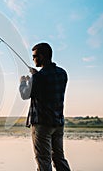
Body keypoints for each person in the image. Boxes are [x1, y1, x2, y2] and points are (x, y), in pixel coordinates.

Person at [19, 43, 71, 171]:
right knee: (59, 158)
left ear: (42, 56)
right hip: (58, 123)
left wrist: (23, 82)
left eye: (35, 56)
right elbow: (46, 83)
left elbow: (25, 94)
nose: (33, 59)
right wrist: (35, 76)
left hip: (42, 124)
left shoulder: (38, 77)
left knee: (43, 160)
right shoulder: (62, 73)